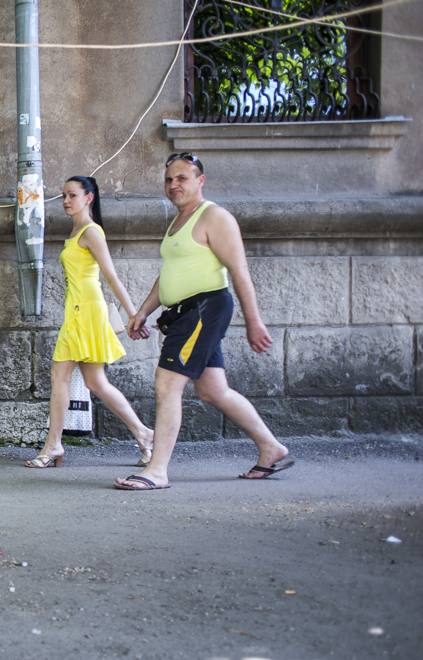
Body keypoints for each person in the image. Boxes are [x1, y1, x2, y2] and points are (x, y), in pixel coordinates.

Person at [116, 154, 292, 490]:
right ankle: (271, 448)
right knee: (213, 389)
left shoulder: (214, 217)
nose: (173, 185)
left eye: (182, 178)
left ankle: (157, 471)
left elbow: (239, 270)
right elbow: (171, 274)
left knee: (167, 384)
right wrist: (143, 311)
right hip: (186, 310)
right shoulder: (177, 222)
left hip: (204, 308)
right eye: (169, 180)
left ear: (200, 181)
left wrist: (254, 321)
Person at [26, 176, 154, 469]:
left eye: (72, 195)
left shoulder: (91, 232)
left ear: (89, 198)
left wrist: (135, 314)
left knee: (59, 374)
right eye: (64, 196)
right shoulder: (77, 231)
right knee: (96, 382)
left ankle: (54, 445)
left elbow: (111, 276)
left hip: (86, 311)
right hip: (78, 309)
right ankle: (144, 433)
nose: (65, 201)